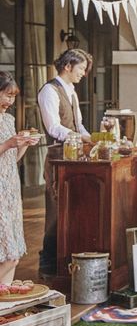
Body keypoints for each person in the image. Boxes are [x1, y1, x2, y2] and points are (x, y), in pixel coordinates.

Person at [37, 48, 92, 277]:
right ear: (68, 66)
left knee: (73, 209)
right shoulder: (49, 91)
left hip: (74, 158)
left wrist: (91, 138)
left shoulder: (72, 91)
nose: (83, 73)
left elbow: (78, 125)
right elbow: (53, 128)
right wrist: (81, 137)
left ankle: (68, 261)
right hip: (57, 159)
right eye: (81, 68)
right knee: (56, 211)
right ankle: (48, 264)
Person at [0, 72, 38, 283]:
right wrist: (8, 144)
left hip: (11, 189)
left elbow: (11, 159)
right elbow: (6, 148)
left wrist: (23, 144)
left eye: (13, 96)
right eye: (7, 95)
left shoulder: (9, 120)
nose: (10, 101)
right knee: (9, 256)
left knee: (13, 255)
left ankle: (5, 298)